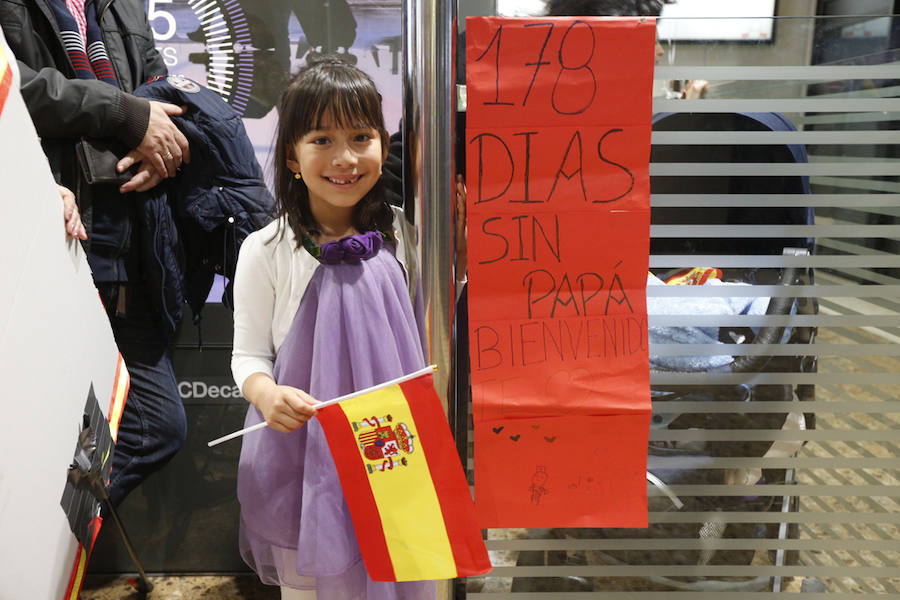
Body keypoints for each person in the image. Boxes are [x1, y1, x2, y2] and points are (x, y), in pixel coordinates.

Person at [231, 57, 433, 600]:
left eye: (360, 137)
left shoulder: (406, 237)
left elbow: (419, 336)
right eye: (321, 139)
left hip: (390, 453)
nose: (344, 158)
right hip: (302, 465)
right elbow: (247, 356)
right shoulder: (266, 249)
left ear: (383, 147)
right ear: (293, 155)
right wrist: (267, 393)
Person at [0, 0, 189, 508]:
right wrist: (122, 112)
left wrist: (160, 151)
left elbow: (161, 98)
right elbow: (14, 85)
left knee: (157, 427)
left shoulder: (122, 6)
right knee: (34, 426)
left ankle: (40, 552)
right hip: (52, 241)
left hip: (132, 250)